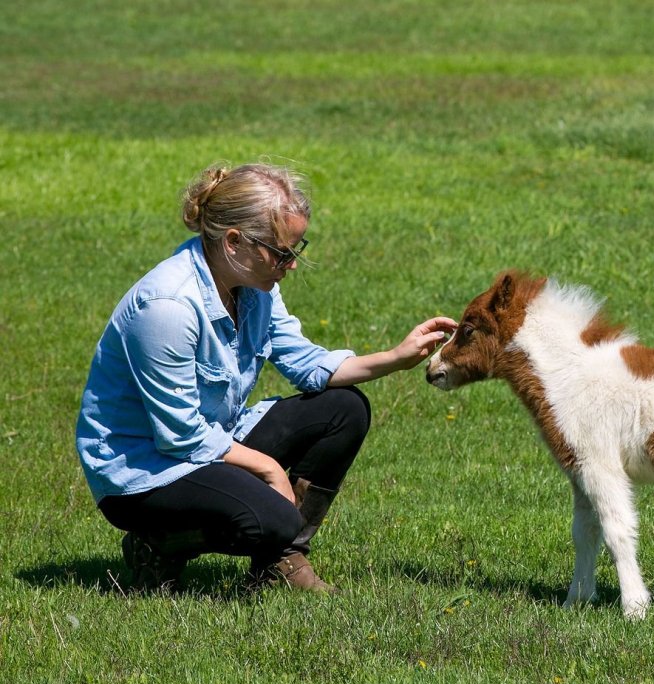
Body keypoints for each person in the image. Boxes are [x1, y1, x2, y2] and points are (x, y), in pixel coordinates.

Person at [75, 162, 456, 594]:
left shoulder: (255, 286)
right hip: (146, 474)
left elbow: (306, 364)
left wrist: (395, 357)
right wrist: (268, 467)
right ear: (234, 242)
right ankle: (158, 542)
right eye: (282, 251)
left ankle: (279, 559)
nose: (290, 265)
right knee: (274, 518)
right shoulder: (168, 307)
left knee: (344, 409)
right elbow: (179, 437)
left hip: (211, 440)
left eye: (295, 248)